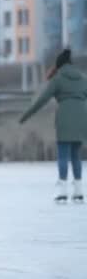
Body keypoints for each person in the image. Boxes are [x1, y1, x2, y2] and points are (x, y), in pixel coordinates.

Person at [19, 49, 86, 203]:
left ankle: (62, 192)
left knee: (63, 156)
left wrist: (24, 117)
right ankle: (78, 192)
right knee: (76, 156)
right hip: (82, 119)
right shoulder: (83, 79)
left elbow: (41, 100)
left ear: (59, 65)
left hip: (65, 119)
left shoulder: (58, 79)